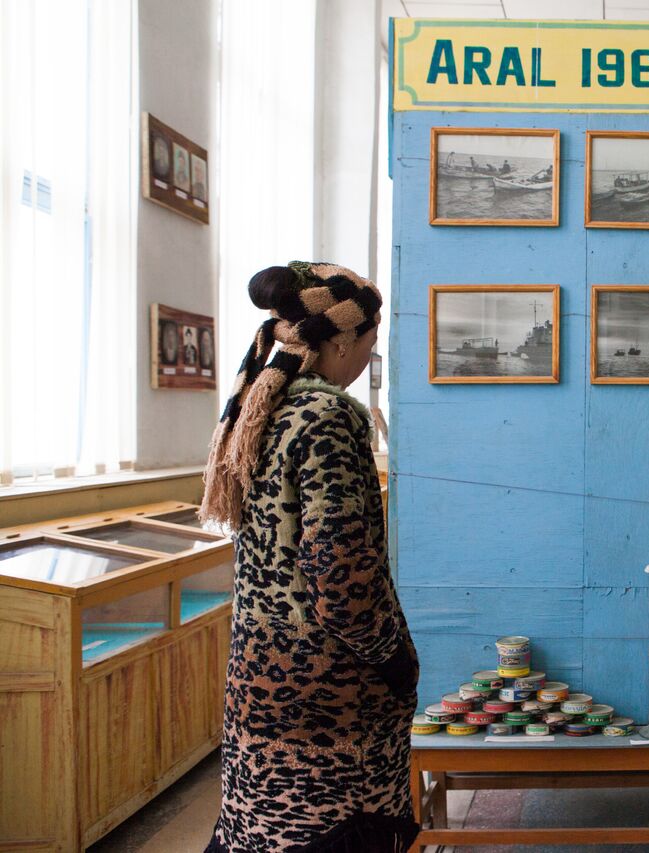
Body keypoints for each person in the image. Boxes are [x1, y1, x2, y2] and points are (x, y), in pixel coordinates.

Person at [201, 262, 419, 853]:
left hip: (261, 671)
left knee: (267, 831)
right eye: (370, 345)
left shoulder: (264, 407)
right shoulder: (326, 418)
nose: (367, 360)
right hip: (326, 695)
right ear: (343, 338)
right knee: (329, 833)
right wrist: (393, 658)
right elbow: (340, 569)